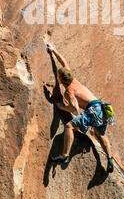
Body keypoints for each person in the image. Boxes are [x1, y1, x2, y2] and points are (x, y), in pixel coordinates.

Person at [46, 42, 114, 173]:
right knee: (101, 134)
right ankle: (109, 159)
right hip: (102, 108)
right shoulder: (72, 79)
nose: (57, 77)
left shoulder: (69, 91)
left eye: (58, 77)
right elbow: (64, 63)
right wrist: (53, 51)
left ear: (60, 80)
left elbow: (74, 108)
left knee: (69, 126)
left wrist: (61, 107)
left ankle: (64, 156)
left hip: (93, 111)